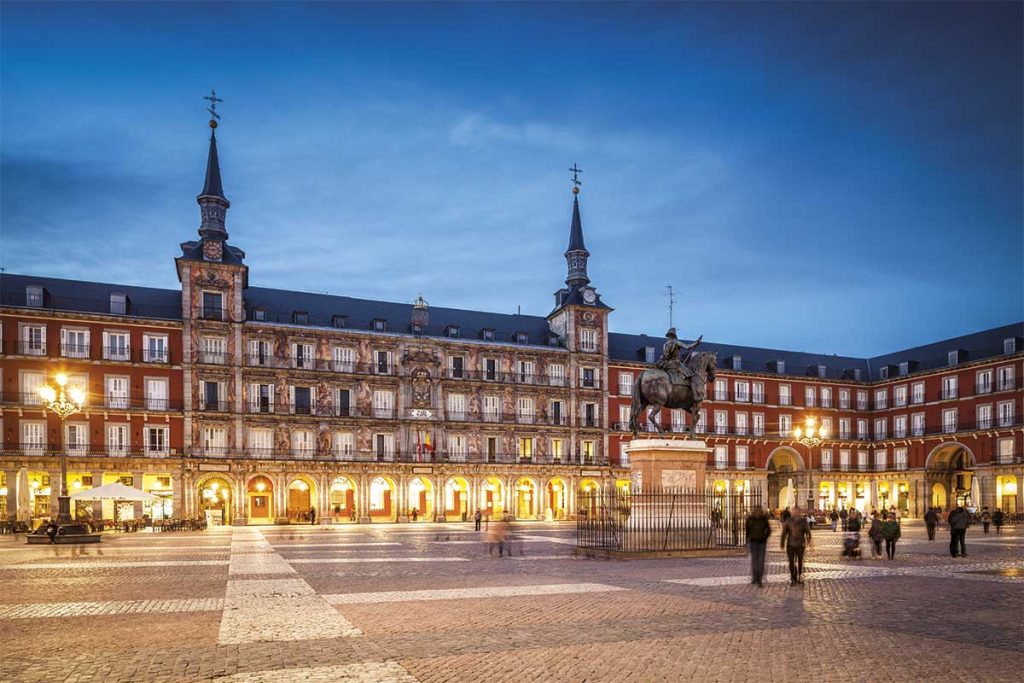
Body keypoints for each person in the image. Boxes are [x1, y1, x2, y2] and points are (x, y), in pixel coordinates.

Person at [781, 506, 812, 586]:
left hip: (800, 544)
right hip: (790, 544)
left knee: (800, 561)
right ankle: (793, 577)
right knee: (791, 561)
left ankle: (799, 576)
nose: (795, 513)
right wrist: (782, 543)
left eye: (797, 511)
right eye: (794, 511)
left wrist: (808, 541)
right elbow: (784, 532)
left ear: (799, 512)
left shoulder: (803, 521)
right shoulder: (788, 521)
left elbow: (808, 532)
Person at [745, 505, 771, 587]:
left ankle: (755, 578)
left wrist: (748, 538)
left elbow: (747, 531)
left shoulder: (750, 519)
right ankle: (758, 578)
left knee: (755, 560)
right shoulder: (763, 519)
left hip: (755, 541)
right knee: (760, 561)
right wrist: (765, 536)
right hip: (760, 542)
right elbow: (769, 530)